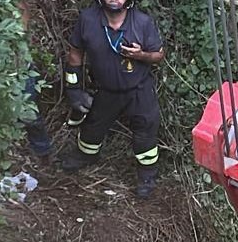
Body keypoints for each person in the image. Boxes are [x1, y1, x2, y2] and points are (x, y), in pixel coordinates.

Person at [61, 0, 165, 198]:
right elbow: (75, 52)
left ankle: (147, 175)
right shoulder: (88, 19)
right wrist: (73, 88)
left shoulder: (142, 22)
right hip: (106, 89)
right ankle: (86, 156)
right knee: (92, 128)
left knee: (146, 130)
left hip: (139, 88)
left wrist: (141, 55)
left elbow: (159, 55)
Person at [19, 1, 54, 158]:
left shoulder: (18, 7)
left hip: (19, 68)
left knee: (30, 114)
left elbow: (23, 24)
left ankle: (42, 152)